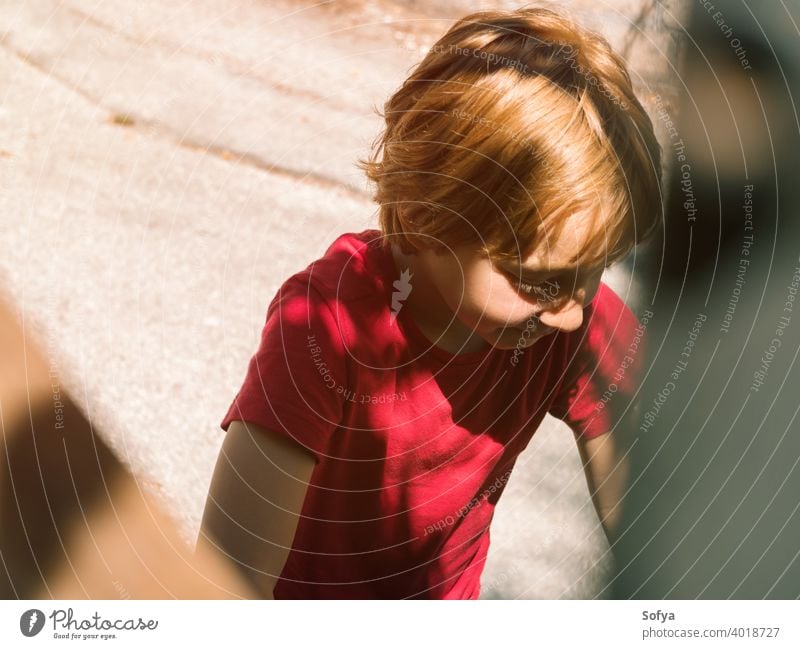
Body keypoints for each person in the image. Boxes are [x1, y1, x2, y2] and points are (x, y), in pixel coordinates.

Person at [197, 6, 662, 599]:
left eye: (596, 269)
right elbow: (222, 588)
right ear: (426, 217)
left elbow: (661, 526)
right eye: (539, 280)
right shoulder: (324, 331)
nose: (574, 311)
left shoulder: (565, 322)